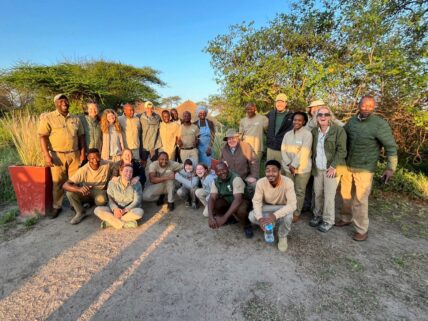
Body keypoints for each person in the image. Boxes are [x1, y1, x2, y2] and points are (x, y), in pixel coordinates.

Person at [339, 96, 397, 241]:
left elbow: (390, 147)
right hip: (347, 165)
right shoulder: (352, 121)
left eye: (370, 106)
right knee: (345, 194)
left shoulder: (379, 124)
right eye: (364, 105)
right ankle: (346, 218)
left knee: (360, 199)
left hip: (365, 168)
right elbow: (341, 136)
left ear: (374, 107)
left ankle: (361, 229)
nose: (366, 108)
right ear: (358, 105)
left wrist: (391, 167)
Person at [38, 93, 85, 218]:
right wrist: (46, 155)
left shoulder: (75, 118)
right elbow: (43, 137)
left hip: (74, 154)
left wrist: (82, 153)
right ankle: (56, 206)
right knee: (58, 182)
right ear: (56, 104)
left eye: (66, 100)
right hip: (57, 155)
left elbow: (81, 137)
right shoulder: (48, 118)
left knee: (74, 181)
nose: (64, 103)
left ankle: (73, 204)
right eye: (60, 101)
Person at [309, 107, 347, 232]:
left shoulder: (338, 130)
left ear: (330, 116)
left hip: (332, 168)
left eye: (326, 114)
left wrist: (333, 166)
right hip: (318, 168)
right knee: (317, 193)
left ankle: (328, 220)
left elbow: (342, 150)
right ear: (316, 117)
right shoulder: (314, 131)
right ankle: (317, 215)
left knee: (329, 196)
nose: (323, 117)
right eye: (320, 114)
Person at [249, 160, 297, 252]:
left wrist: (275, 215)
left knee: (288, 216)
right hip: (267, 207)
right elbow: (257, 202)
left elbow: (292, 204)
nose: (270, 173)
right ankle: (269, 224)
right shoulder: (261, 182)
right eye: (268, 170)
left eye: (274, 170)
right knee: (252, 216)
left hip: (282, 207)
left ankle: (282, 235)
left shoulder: (288, 182)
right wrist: (260, 219)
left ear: (280, 172)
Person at [63, 148, 111, 224]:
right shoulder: (83, 170)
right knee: (69, 193)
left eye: (97, 157)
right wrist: (79, 189)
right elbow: (65, 185)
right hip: (87, 191)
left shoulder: (106, 164)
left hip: (99, 191)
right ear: (88, 158)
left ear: (100, 156)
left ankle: (93, 204)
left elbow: (119, 164)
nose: (95, 160)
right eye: (92, 158)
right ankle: (80, 212)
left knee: (101, 200)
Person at [281, 112, 313, 223]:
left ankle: (296, 213)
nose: (297, 122)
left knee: (299, 191)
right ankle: (289, 209)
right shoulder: (287, 134)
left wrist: (294, 165)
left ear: (304, 122)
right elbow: (283, 149)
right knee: (289, 190)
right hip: (288, 167)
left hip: (303, 169)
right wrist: (289, 164)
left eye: (300, 120)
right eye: (295, 120)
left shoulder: (307, 134)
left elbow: (304, 151)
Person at [208, 162, 253, 238]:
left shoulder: (235, 178)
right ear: (215, 173)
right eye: (218, 171)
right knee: (216, 203)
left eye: (223, 170)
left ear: (227, 168)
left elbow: (238, 200)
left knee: (241, 210)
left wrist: (223, 218)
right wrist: (210, 217)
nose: (221, 172)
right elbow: (212, 198)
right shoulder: (215, 181)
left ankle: (247, 225)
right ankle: (231, 219)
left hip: (243, 200)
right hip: (228, 200)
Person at [94, 164, 143, 229]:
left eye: (131, 172)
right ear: (121, 172)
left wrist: (124, 210)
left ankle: (110, 222)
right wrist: (115, 209)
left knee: (139, 212)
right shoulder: (112, 183)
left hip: (129, 210)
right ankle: (124, 224)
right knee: (97, 210)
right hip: (114, 210)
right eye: (126, 171)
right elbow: (110, 198)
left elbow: (137, 201)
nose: (128, 173)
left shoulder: (136, 184)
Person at [219, 129, 259, 196]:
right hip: (231, 178)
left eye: (233, 138)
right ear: (227, 140)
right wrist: (223, 162)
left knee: (254, 184)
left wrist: (253, 176)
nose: (231, 140)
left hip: (245, 176)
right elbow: (220, 162)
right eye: (229, 139)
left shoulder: (246, 146)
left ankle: (255, 203)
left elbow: (254, 162)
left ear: (237, 138)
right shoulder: (224, 149)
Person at [266, 93, 294, 163]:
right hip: (270, 148)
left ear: (286, 104)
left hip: (283, 149)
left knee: (280, 171)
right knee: (270, 168)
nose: (280, 104)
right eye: (278, 102)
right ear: (275, 103)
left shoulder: (291, 116)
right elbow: (261, 123)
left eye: (282, 102)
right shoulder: (271, 114)